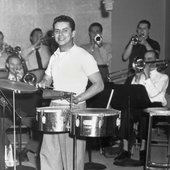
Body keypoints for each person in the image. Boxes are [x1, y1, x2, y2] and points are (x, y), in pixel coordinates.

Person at [37, 15, 104, 170]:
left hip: (75, 109)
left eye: (65, 31)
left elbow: (99, 84)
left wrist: (78, 99)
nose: (60, 35)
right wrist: (43, 83)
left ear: (73, 33)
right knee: (49, 154)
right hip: (54, 107)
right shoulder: (54, 56)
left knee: (72, 157)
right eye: (57, 31)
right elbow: (47, 78)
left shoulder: (84, 56)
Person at [114, 50, 169, 165]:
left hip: (155, 109)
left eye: (150, 59)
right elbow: (130, 94)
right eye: (145, 59)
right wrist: (138, 78)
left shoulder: (163, 77)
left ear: (157, 60)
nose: (146, 61)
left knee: (146, 111)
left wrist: (147, 76)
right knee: (125, 111)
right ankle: (125, 150)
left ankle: (144, 150)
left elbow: (154, 95)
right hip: (137, 105)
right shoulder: (137, 76)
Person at [0, 54, 42, 165]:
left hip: (25, 113)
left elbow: (35, 100)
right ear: (7, 65)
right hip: (7, 113)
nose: (16, 67)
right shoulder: (2, 80)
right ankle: (9, 152)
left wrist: (23, 83)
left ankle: (25, 150)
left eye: (18, 64)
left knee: (44, 129)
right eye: (12, 64)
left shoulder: (27, 79)